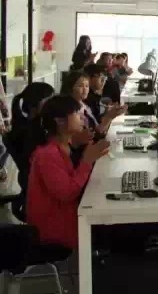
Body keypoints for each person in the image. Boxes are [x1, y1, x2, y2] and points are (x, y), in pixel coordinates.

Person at [27, 95, 111, 249]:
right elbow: (67, 193)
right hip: (57, 229)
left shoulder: (64, 146)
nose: (83, 118)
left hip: (71, 216)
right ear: (60, 121)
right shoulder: (47, 155)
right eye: (78, 114)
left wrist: (83, 147)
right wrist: (86, 161)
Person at [5, 82, 55, 221]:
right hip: (39, 184)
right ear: (37, 102)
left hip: (30, 181)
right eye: (50, 99)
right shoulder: (34, 131)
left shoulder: (26, 124)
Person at [61, 71, 127, 137]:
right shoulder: (70, 110)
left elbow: (98, 129)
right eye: (80, 86)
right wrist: (109, 116)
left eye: (87, 86)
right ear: (70, 88)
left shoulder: (84, 104)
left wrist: (111, 114)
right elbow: (94, 135)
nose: (85, 89)